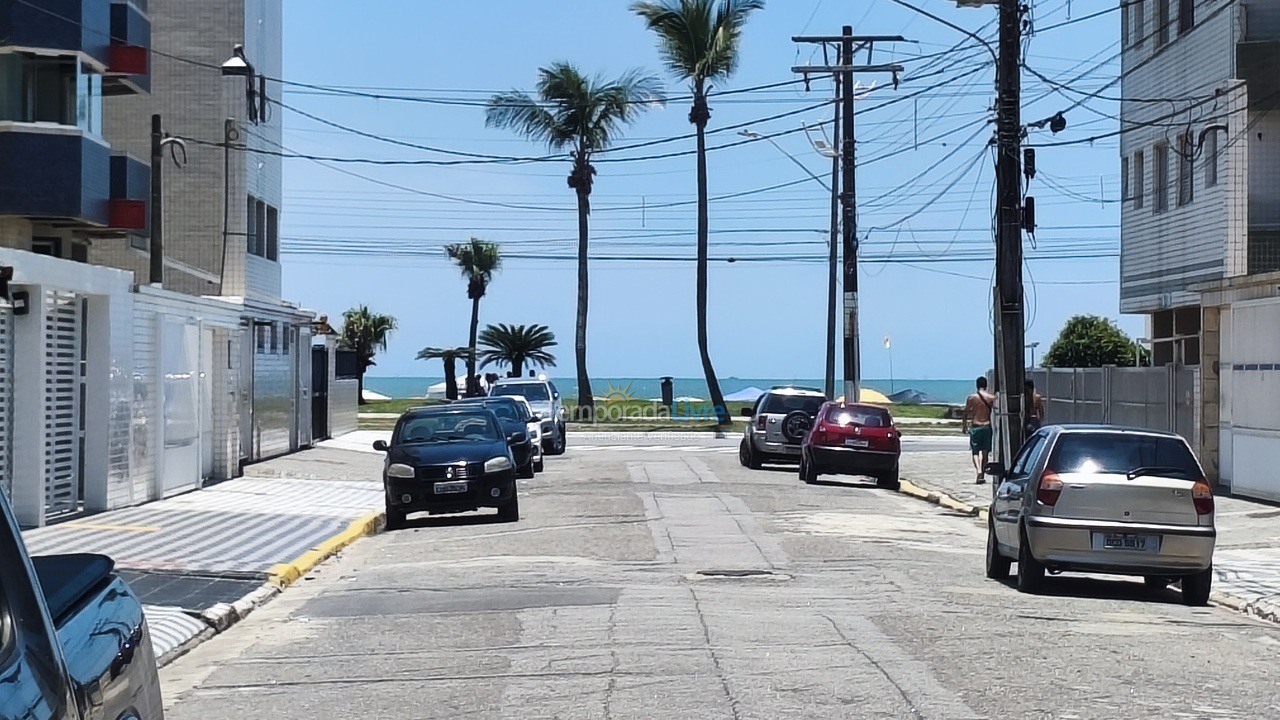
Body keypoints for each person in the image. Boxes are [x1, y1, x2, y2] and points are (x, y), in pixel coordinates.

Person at [962, 376, 996, 484]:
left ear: (976, 385)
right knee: (985, 452)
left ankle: (979, 470)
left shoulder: (971, 398)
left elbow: (966, 413)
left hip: (976, 426)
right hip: (987, 426)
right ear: (986, 385)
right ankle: (983, 474)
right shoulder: (991, 398)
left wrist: (964, 426)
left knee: (975, 452)